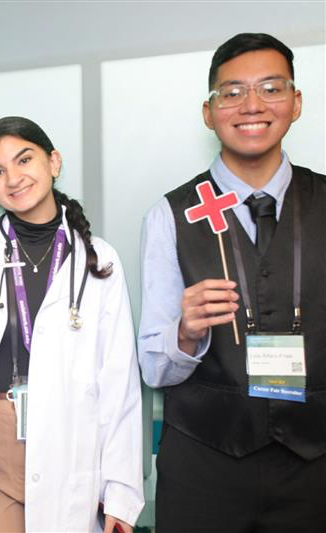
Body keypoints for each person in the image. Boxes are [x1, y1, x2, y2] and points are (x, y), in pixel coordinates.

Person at [138, 33, 326, 531]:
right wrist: (185, 332)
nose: (252, 105)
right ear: (209, 112)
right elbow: (154, 368)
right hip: (204, 464)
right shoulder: (170, 215)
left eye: (271, 88)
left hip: (315, 464)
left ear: (296, 102)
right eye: (233, 92)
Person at [0, 116, 144, 532]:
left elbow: (119, 384)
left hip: (70, 442)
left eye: (24, 160)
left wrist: (121, 491)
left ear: (54, 162)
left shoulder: (100, 259)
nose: (13, 178)